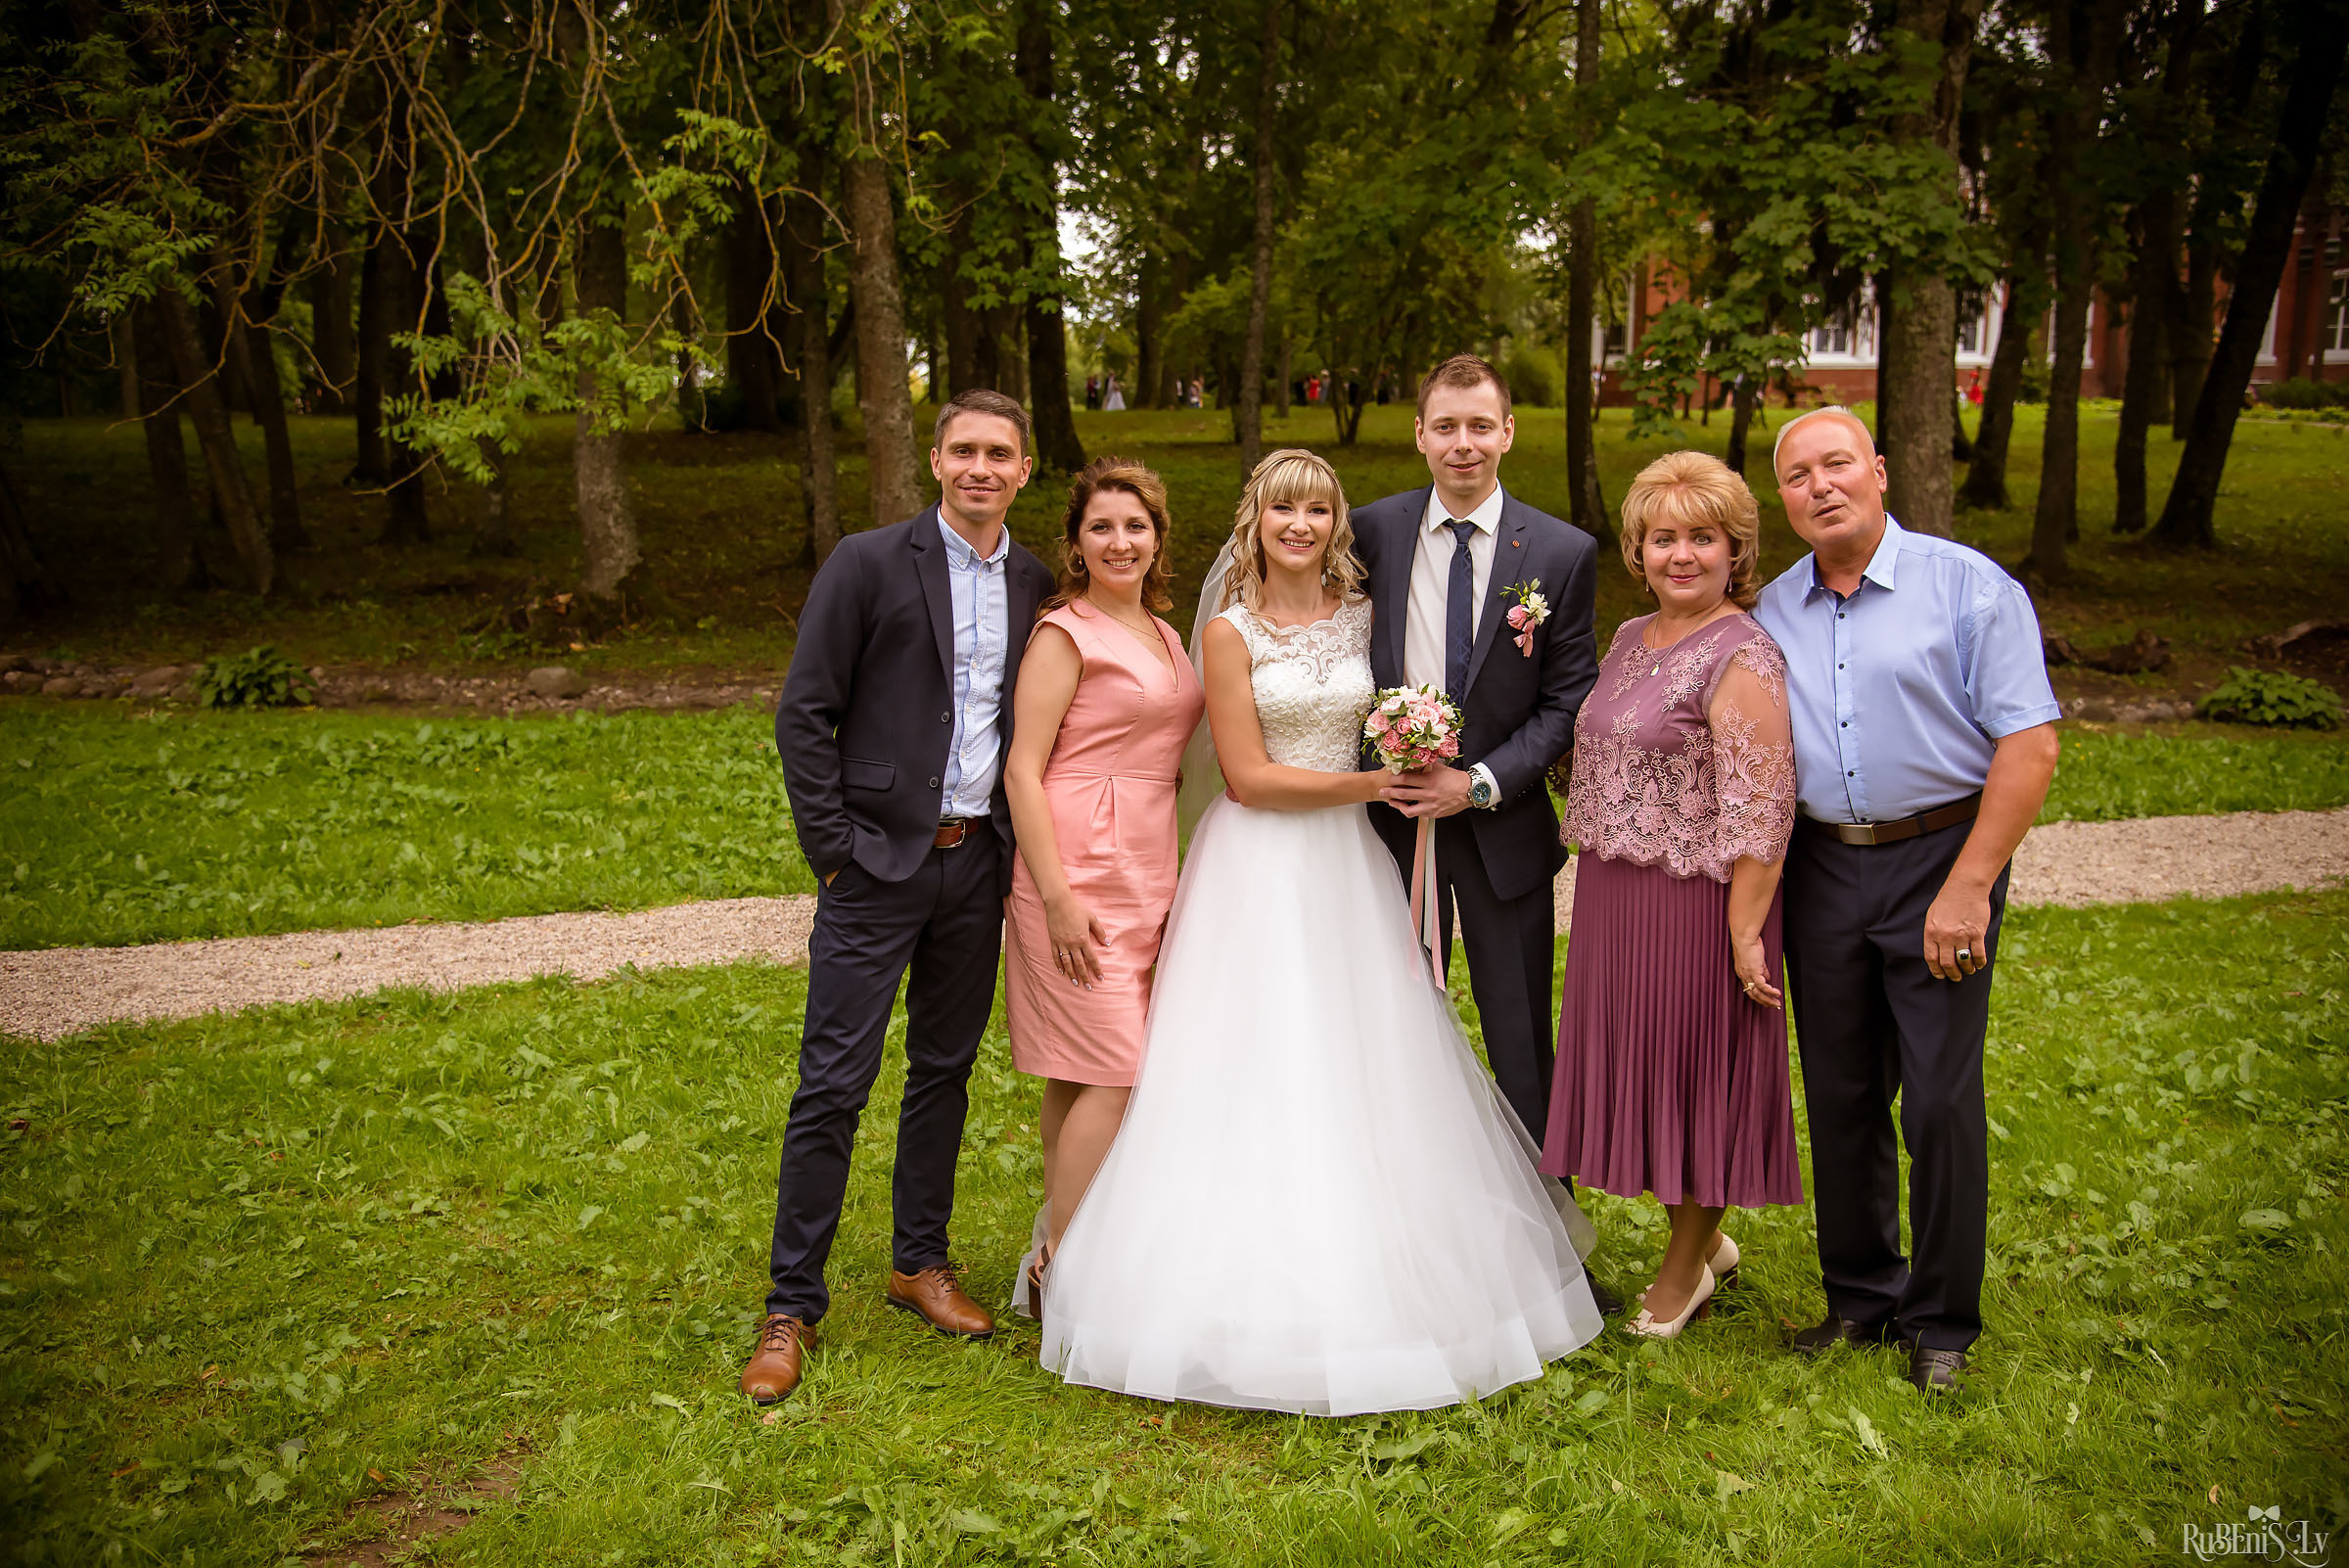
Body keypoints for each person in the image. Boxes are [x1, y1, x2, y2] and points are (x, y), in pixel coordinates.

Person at [1037, 449, 1604, 1415]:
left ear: (1336, 521)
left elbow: (1416, 684)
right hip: (1260, 860)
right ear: (1254, 518)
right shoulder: (1224, 630)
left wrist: (1423, 747)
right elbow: (1251, 776)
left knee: (1362, 1055)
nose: (1298, 523)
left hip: (1348, 865)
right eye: (1281, 507)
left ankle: (1377, 1245)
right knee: (1238, 1058)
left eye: (1316, 508)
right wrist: (1376, 784)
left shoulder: (1361, 616)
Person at [743, 390, 1055, 1406]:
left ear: (1022, 468)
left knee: (944, 1071)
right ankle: (793, 1304)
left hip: (978, 864)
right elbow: (806, 712)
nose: (979, 467)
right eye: (963, 449)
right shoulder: (869, 563)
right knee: (832, 1082)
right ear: (934, 460)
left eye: (998, 453)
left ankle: (919, 1262)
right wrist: (833, 853)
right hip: (873, 868)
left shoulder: (1039, 583)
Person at [1754, 406, 2060, 1394]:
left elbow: (2029, 744)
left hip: (1941, 861)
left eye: (1836, 463)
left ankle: (1940, 1322)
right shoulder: (1771, 612)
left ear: (1879, 471)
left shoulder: (1969, 588)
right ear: (1785, 498)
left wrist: (1970, 886)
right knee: (1841, 1093)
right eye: (1797, 475)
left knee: (1935, 1098)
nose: (1819, 486)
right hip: (1821, 867)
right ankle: (1860, 1298)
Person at [1347, 353, 1612, 1306]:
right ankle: (1400, 1230)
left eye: (1480, 426)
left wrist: (1484, 783)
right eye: (1445, 426)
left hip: (1498, 833)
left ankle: (1555, 1250)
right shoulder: (1369, 531)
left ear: (1508, 433)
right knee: (1389, 1027)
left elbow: (1567, 697)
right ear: (1420, 434)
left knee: (1518, 1039)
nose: (1463, 443)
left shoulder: (1560, 553)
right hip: (1384, 827)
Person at [1539, 450, 1803, 1339]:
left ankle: (1685, 1269)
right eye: (1663, 537)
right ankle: (1708, 1245)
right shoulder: (1627, 639)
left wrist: (1745, 930)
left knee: (1696, 1077)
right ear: (1637, 550)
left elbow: (1762, 804)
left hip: (1698, 903)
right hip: (1616, 895)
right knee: (1644, 1068)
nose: (1681, 554)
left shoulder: (1745, 653)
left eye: (1703, 537)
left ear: (1737, 550)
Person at [1000, 459, 1203, 1318]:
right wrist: (1054, 893)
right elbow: (1021, 768)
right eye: (1101, 528)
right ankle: (1071, 1270)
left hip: (1149, 863)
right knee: (1118, 1070)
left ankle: (1056, 1239)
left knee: (1075, 1072)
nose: (1120, 542)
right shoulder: (1064, 633)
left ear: (1157, 539)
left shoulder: (1165, 631)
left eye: (1136, 527)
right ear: (1076, 544)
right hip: (1075, 867)